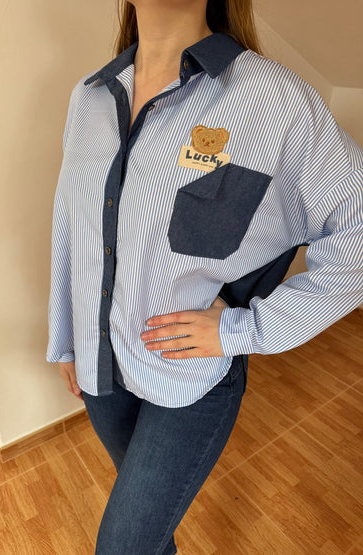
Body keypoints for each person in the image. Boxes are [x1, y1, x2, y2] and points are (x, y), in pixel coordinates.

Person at [46, 0, 363, 553]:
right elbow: (70, 225)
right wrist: (65, 341)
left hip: (189, 381)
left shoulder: (274, 102)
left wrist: (245, 329)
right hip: (102, 374)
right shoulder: (88, 98)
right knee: (151, 533)